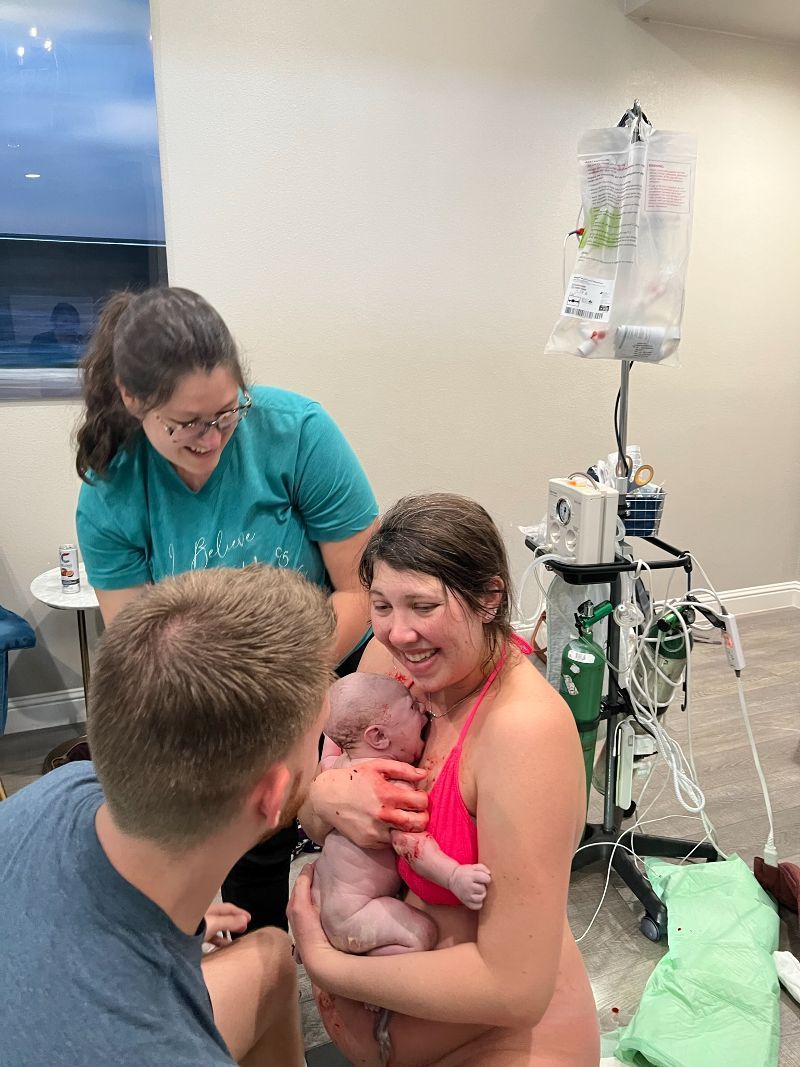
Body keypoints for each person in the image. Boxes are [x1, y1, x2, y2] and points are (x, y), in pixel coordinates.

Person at [74, 285, 379, 931]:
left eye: (226, 412)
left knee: (350, 843)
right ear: (133, 399)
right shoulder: (113, 489)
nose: (210, 437)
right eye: (185, 423)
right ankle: (261, 948)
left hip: (323, 675)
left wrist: (289, 699)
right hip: (214, 701)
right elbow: (145, 656)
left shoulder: (296, 432)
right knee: (240, 856)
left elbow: (361, 592)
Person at [290, 493, 601, 1066]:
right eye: (381, 605)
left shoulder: (521, 731)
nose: (398, 633)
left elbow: (515, 989)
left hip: (500, 1043)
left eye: (423, 606)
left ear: (489, 598)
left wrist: (326, 962)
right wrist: (327, 793)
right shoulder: (390, 671)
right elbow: (307, 812)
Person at [0, 565, 334, 1066]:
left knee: (270, 961)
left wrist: (185, 918)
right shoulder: (167, 1050)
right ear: (273, 793)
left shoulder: (62, 788)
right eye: (320, 741)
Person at [313, 673, 491, 958]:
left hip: (324, 896)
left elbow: (326, 760)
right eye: (410, 707)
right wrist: (454, 875)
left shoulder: (340, 766)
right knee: (421, 935)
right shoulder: (389, 787)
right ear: (379, 736)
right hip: (357, 914)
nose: (422, 709)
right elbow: (411, 847)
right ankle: (370, 973)